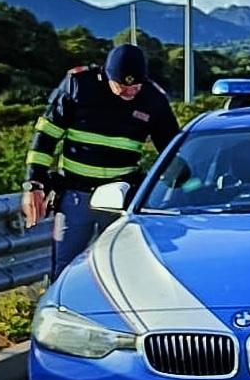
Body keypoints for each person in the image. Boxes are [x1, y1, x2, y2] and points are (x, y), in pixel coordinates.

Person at [22, 44, 180, 278]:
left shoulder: (153, 99)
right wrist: (34, 183)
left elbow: (172, 153)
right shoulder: (79, 85)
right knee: (65, 272)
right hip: (76, 197)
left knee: (122, 271)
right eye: (122, 86)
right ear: (107, 75)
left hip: (122, 198)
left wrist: (192, 188)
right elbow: (46, 135)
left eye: (135, 85)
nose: (130, 92)